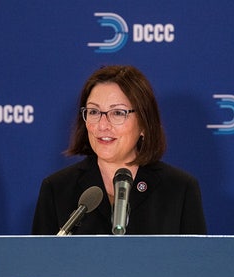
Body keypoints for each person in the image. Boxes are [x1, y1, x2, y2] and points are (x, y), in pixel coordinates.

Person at [32, 65, 206, 235]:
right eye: (94, 111)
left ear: (144, 124)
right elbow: (39, 262)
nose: (102, 125)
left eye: (117, 113)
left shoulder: (179, 189)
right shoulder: (57, 189)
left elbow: (196, 262)